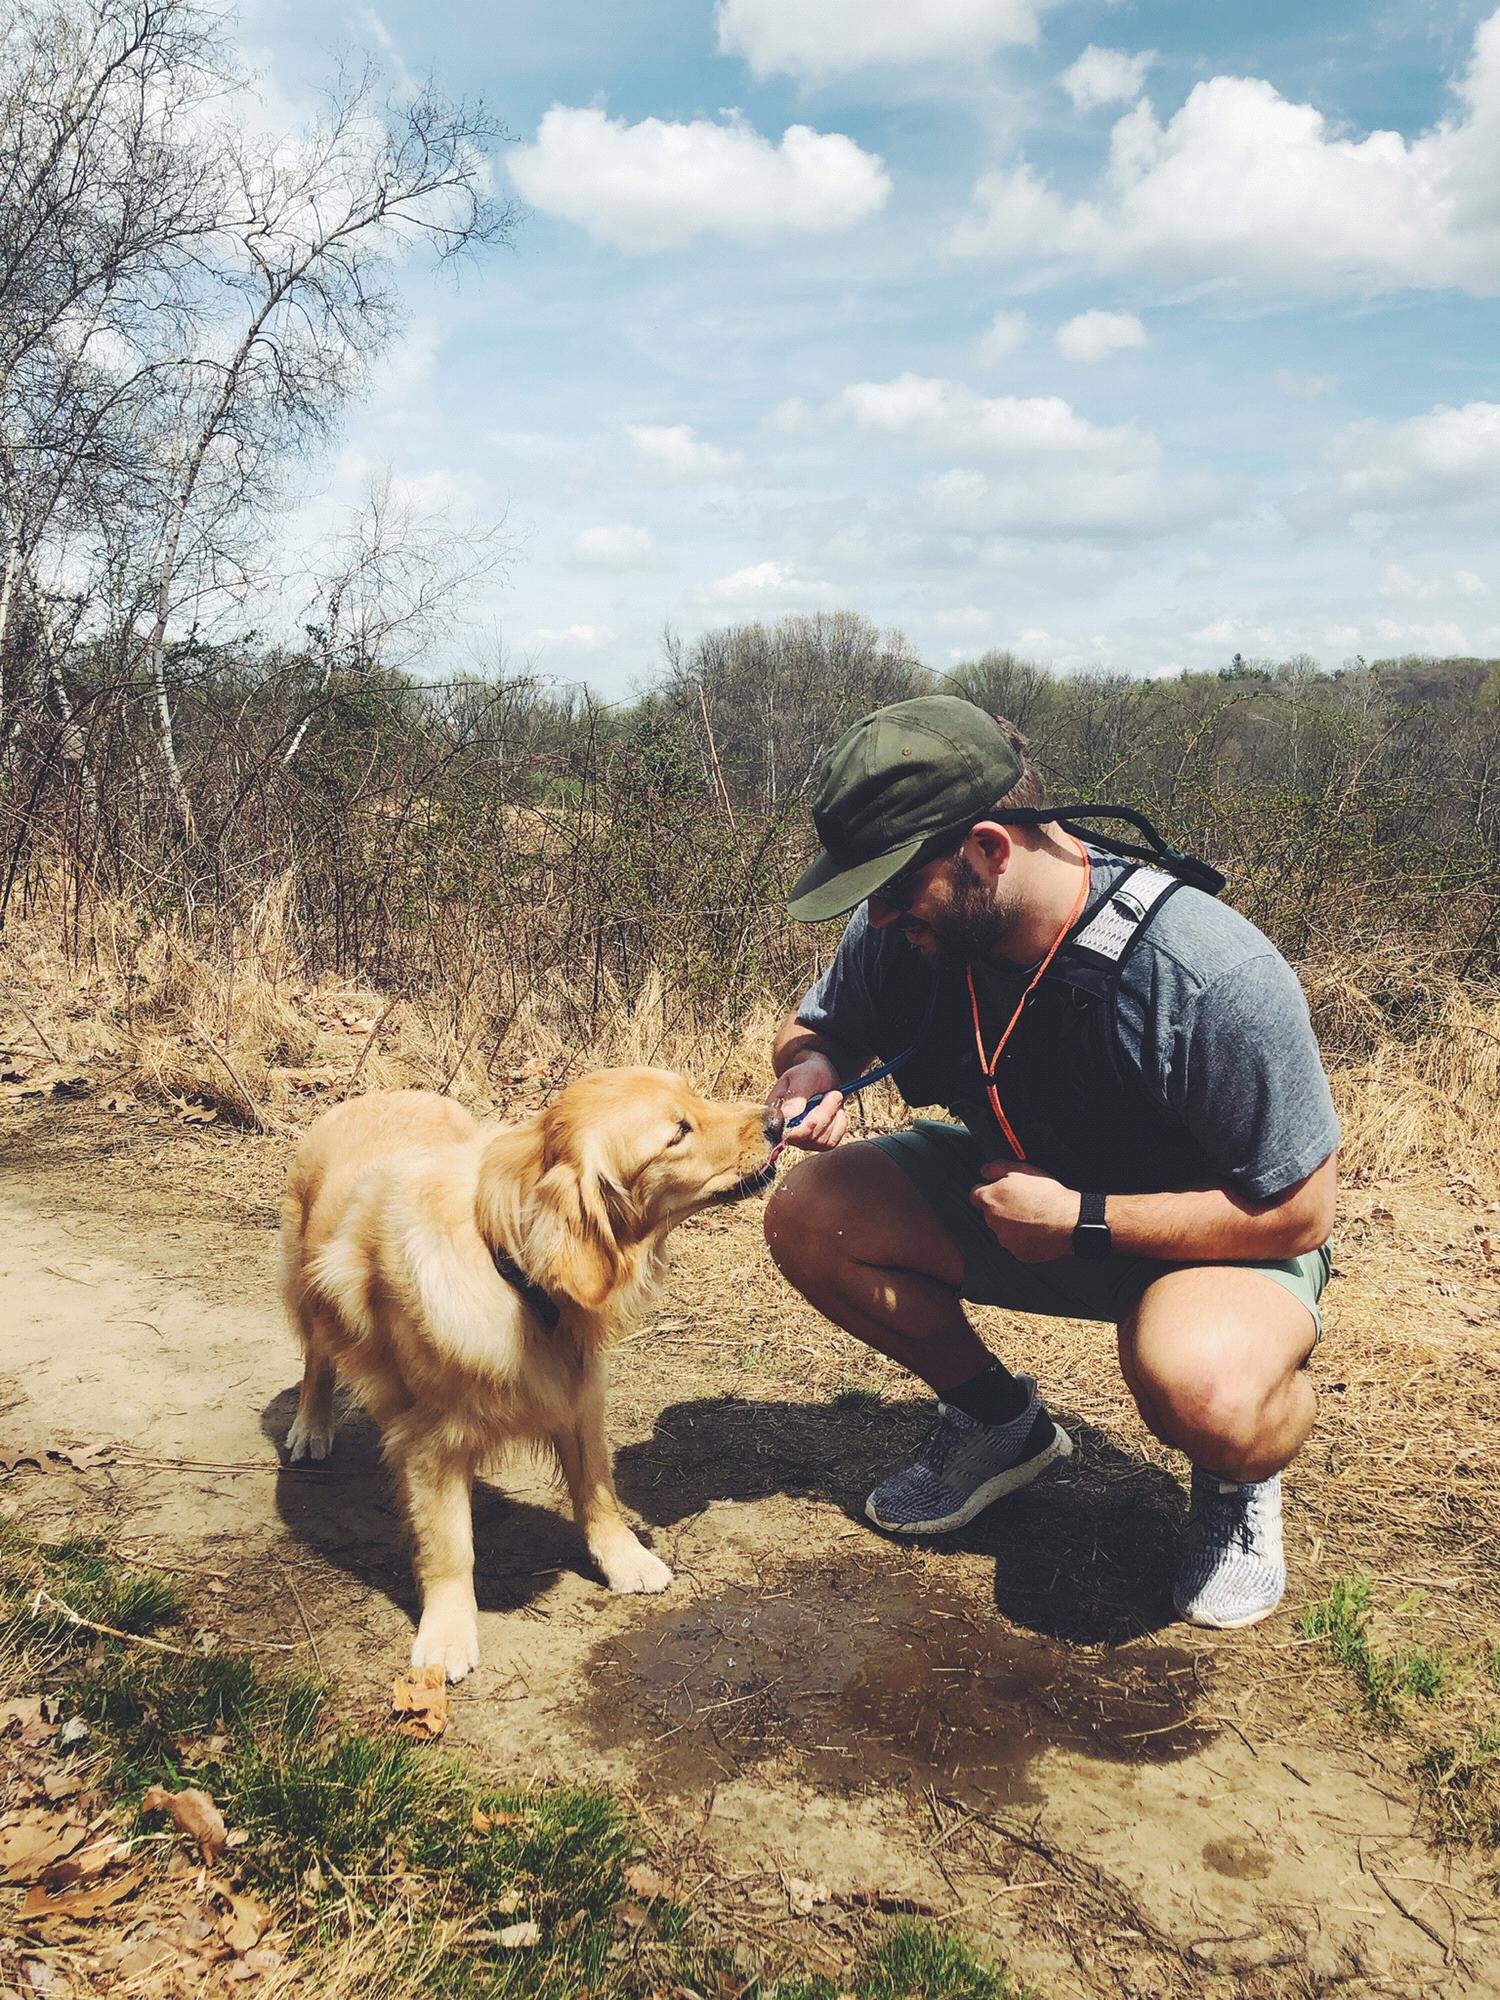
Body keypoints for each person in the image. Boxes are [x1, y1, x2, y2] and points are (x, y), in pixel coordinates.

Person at [764, 695, 1338, 1629]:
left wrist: (1083, 1219)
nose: (874, 918)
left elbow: (1301, 1210)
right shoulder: (911, 933)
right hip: (1021, 1205)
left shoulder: (1202, 973)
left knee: (1209, 1387)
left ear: (990, 848)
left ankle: (1238, 1483)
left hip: (1215, 1240)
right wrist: (812, 1069)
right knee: (811, 1212)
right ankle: (1000, 1424)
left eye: (894, 888)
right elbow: (813, 1026)